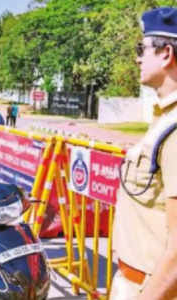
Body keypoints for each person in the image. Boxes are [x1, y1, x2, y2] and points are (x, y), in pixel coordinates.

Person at [110, 7, 177, 300]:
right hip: (133, 281)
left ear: (166, 54)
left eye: (142, 48)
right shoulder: (163, 119)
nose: (137, 58)